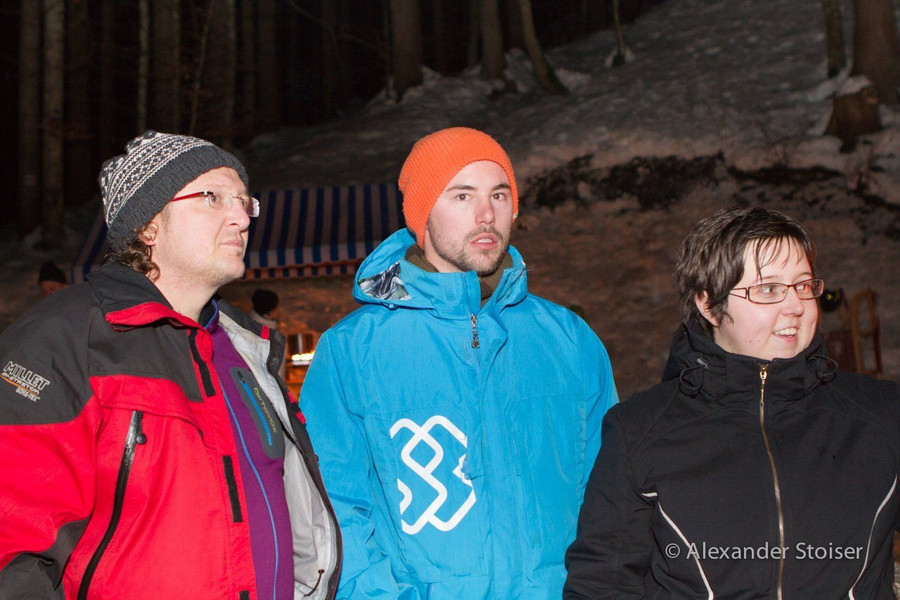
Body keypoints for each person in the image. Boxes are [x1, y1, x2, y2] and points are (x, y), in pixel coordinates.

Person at [0, 131, 341, 600]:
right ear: (148, 226)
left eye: (244, 202)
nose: (242, 218)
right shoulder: (66, 339)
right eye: (212, 197)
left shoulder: (247, 350)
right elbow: (13, 546)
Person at [301, 127, 618, 599]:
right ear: (422, 214)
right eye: (463, 195)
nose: (487, 214)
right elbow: (334, 510)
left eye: (499, 195)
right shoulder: (352, 350)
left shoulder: (569, 339)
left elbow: (610, 494)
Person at [564, 206, 900, 599]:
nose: (796, 306)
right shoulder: (639, 431)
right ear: (709, 305)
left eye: (804, 285)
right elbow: (603, 585)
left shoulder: (881, 416)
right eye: (768, 290)